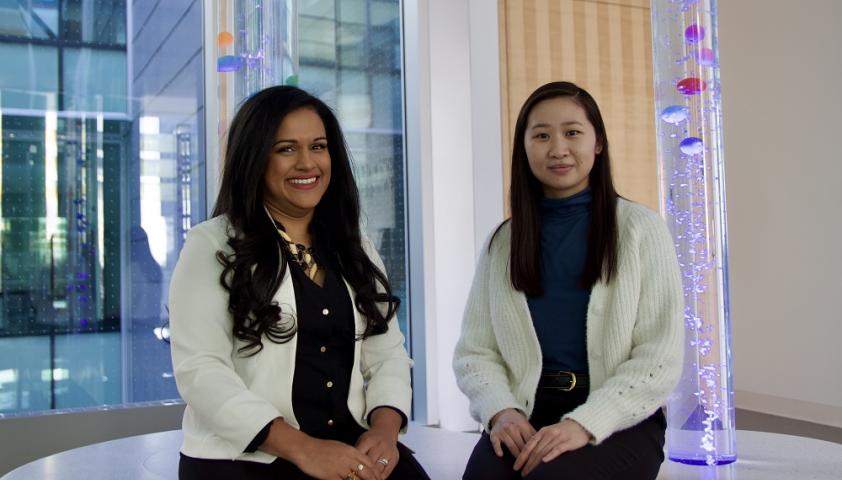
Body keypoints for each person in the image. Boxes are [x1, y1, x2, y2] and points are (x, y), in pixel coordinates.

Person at [169, 85, 430, 480]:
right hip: (248, 455)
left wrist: (384, 431)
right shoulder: (211, 244)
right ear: (255, 158)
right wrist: (304, 449)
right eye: (286, 148)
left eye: (319, 146)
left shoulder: (355, 246)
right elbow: (200, 370)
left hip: (350, 444)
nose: (307, 163)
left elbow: (387, 353)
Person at [453, 81, 684, 479]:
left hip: (620, 420)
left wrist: (584, 423)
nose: (557, 148)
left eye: (572, 133)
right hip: (527, 413)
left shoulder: (641, 230)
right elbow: (476, 352)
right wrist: (500, 410)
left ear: (597, 143)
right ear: (524, 150)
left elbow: (658, 358)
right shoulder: (503, 242)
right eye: (541, 135)